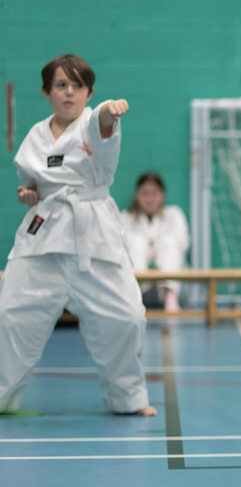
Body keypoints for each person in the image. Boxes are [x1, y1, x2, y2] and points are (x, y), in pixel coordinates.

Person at [0, 54, 155, 416]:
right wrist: (29, 195)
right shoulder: (36, 136)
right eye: (61, 85)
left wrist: (107, 112)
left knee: (128, 316)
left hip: (93, 233)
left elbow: (103, 130)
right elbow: (32, 185)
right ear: (46, 92)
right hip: (44, 236)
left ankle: (128, 397)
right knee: (10, 314)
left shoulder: (94, 124)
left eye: (78, 86)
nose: (69, 92)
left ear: (89, 93)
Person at [120, 172, 189, 312]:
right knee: (136, 242)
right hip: (138, 289)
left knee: (170, 242)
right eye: (144, 193)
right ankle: (134, 300)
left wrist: (158, 249)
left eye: (154, 193)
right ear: (137, 194)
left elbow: (183, 244)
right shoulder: (125, 218)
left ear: (162, 194)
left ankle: (171, 297)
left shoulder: (174, 215)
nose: (149, 199)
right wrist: (146, 250)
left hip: (173, 288)